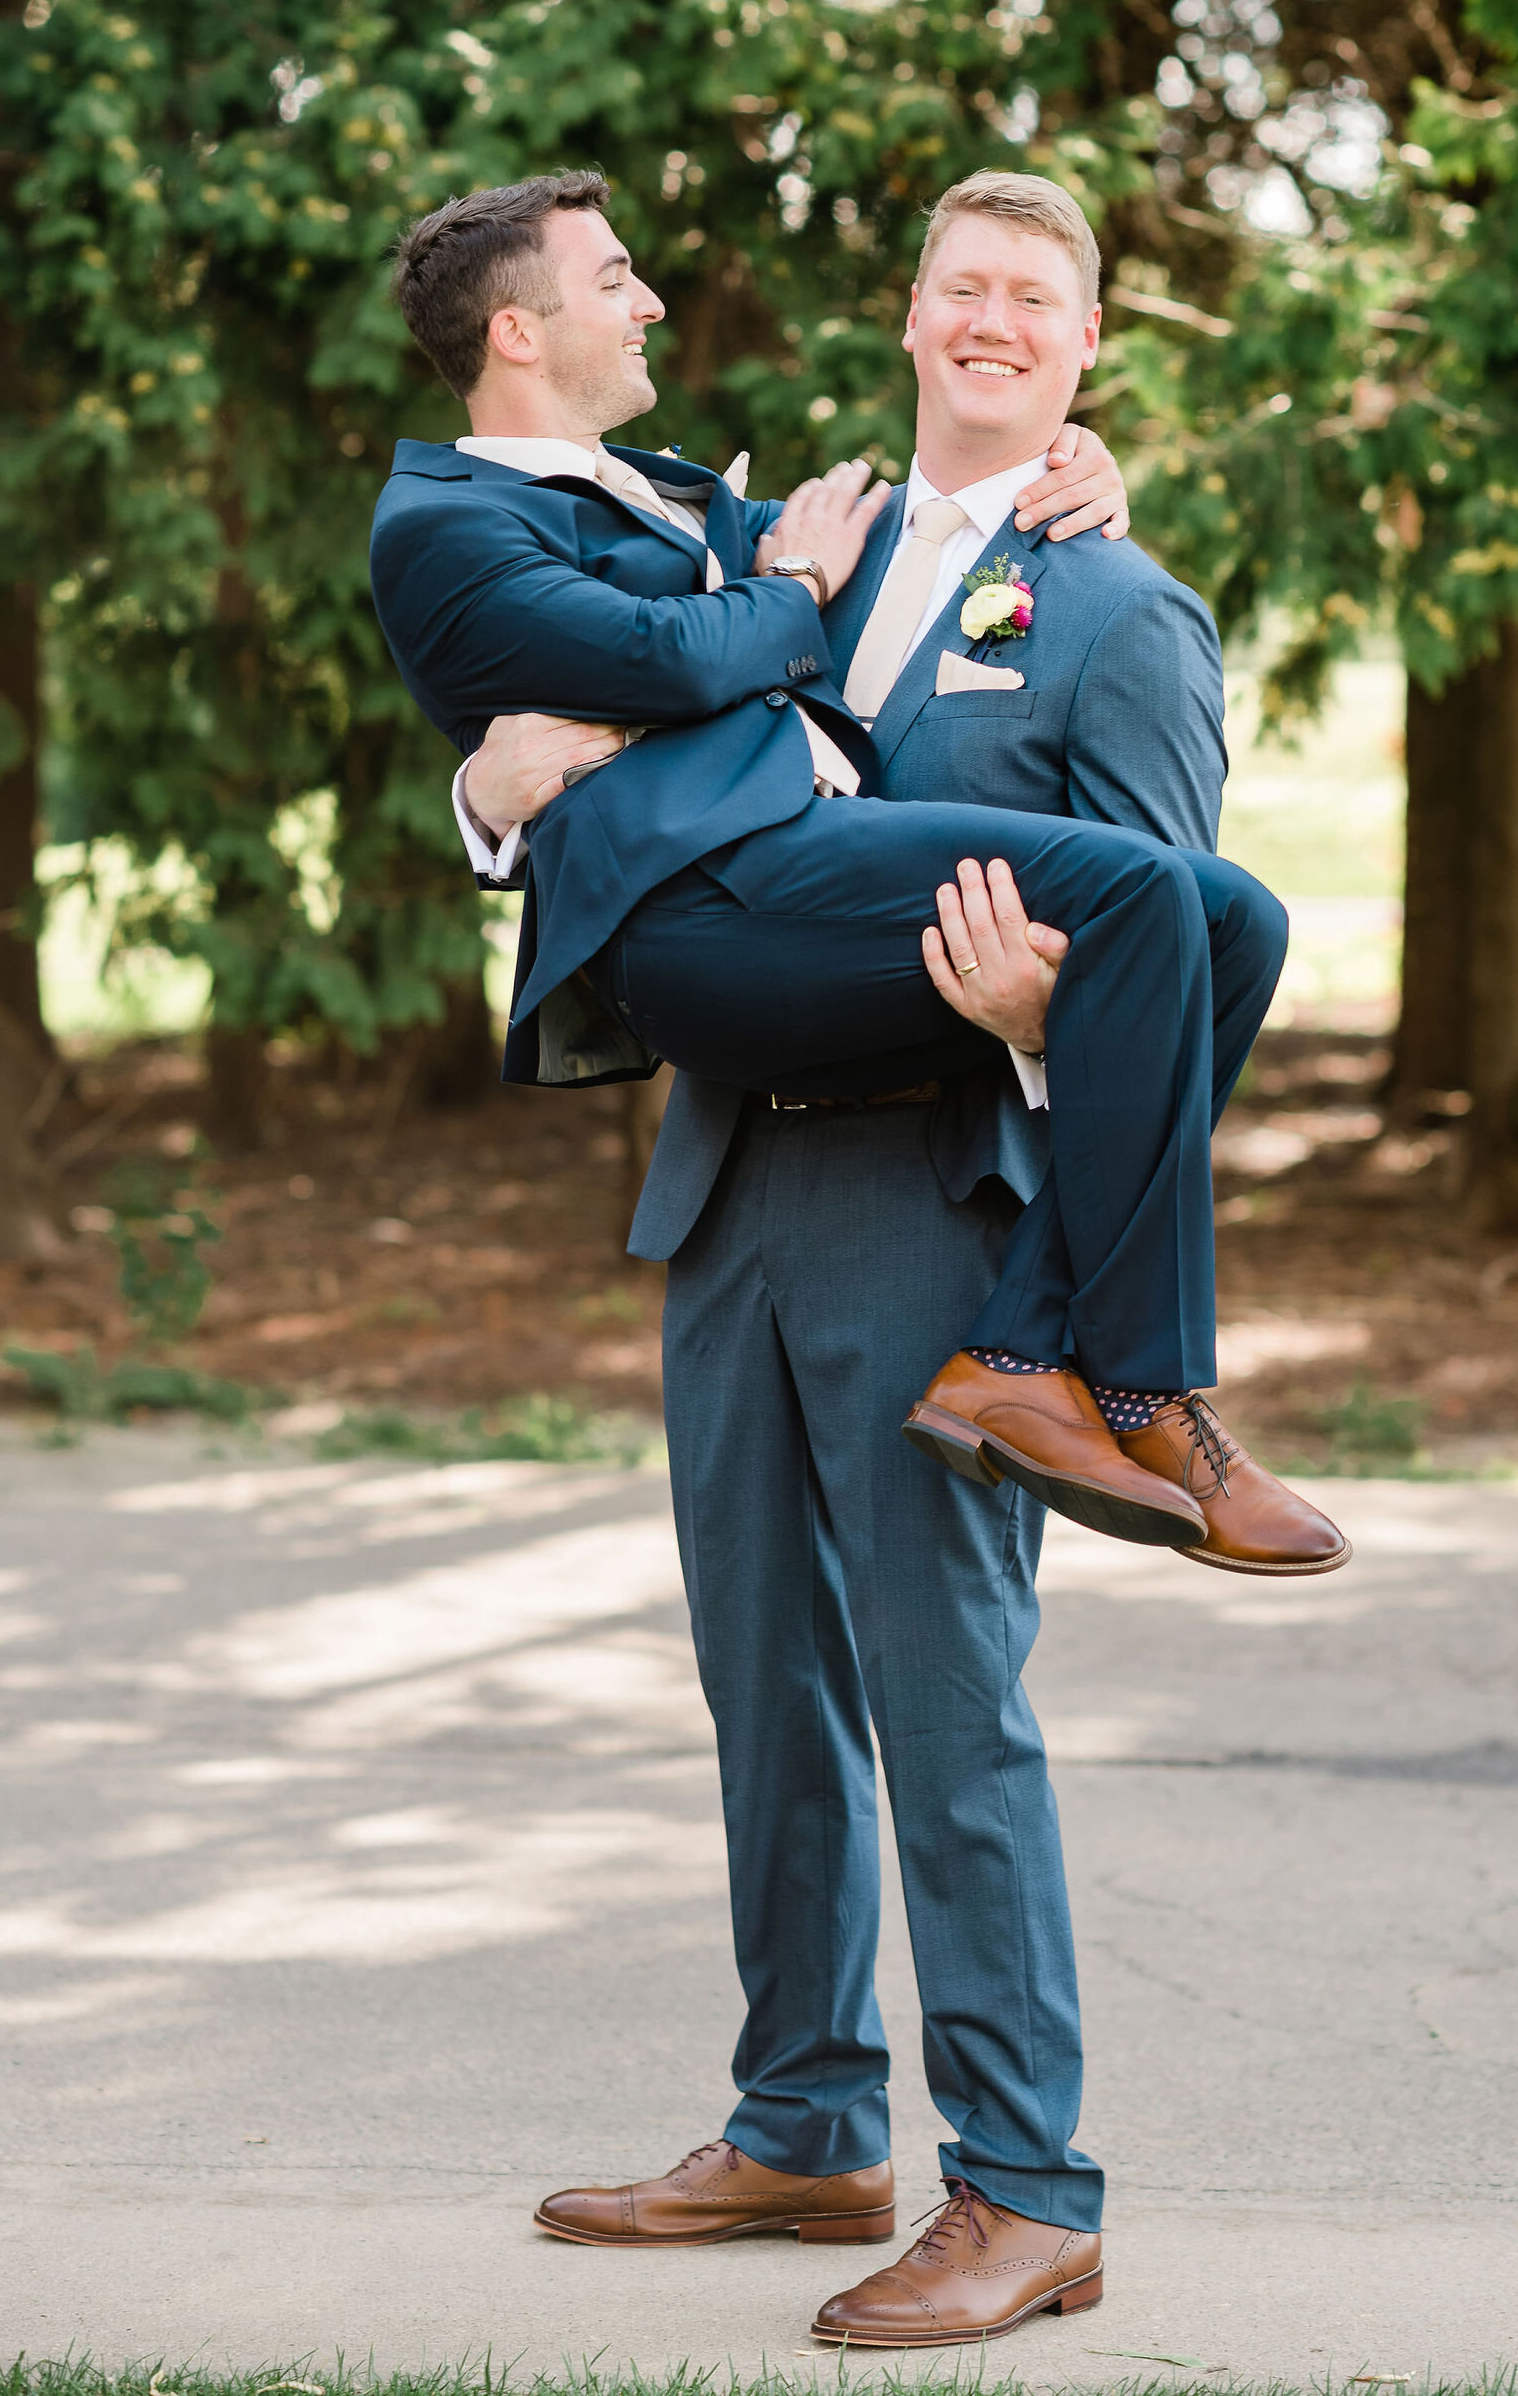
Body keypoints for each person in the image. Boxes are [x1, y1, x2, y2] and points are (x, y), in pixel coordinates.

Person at [377, 167, 1348, 2347]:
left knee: (945, 1703)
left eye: (1040, 301)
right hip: (727, 1189)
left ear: (1083, 356)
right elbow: (594, 735)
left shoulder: (1118, 613)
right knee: (767, 1692)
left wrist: (1030, 1027)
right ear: (909, 317)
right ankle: (807, 2121)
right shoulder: (754, 536)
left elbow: (1166, 944)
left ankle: (1028, 2184)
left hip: (938, 1200)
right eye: (964, 288)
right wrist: (490, 792)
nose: (995, 322)